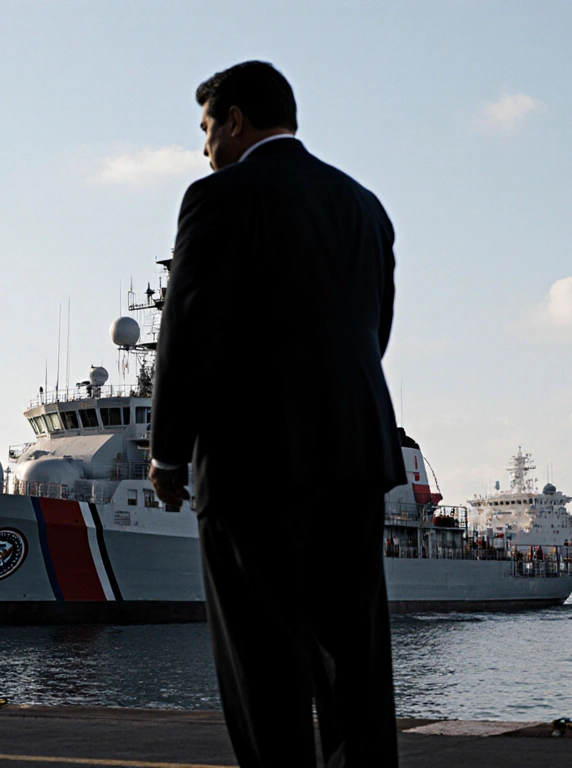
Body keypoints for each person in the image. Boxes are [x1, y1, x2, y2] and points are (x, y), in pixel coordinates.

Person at [148, 61, 405, 767]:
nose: (204, 147)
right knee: (354, 656)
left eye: (207, 128)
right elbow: (372, 331)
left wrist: (168, 453)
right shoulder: (363, 204)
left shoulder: (218, 197)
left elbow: (189, 330)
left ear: (235, 120)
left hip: (250, 461)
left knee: (263, 661)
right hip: (354, 456)